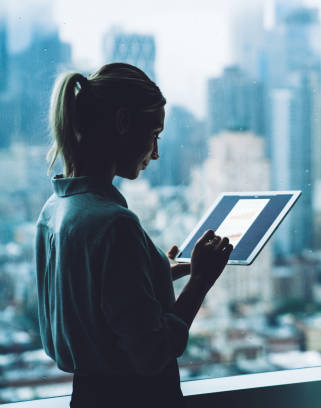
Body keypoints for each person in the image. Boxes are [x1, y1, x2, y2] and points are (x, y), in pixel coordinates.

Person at [34, 62, 232, 407]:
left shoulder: (54, 211)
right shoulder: (114, 224)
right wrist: (201, 280)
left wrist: (155, 273)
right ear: (123, 122)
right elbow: (153, 352)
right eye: (154, 134)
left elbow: (90, 303)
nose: (155, 153)